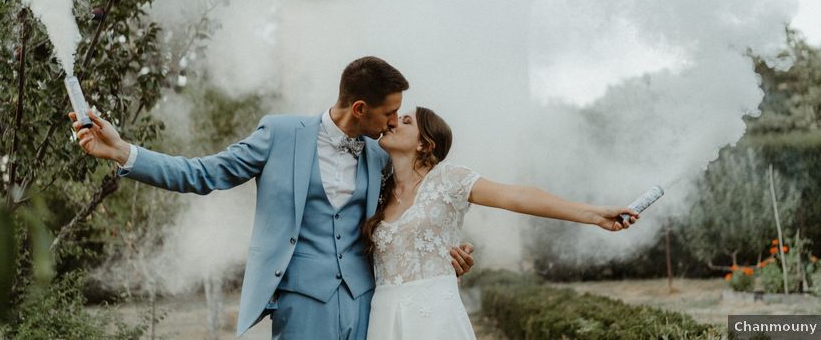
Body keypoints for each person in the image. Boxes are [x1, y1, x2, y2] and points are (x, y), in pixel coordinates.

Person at [70, 56, 475, 339]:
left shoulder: (379, 154)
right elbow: (203, 173)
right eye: (389, 113)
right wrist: (124, 151)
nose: (393, 122)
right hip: (301, 302)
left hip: (366, 301)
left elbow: (412, 204)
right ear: (359, 107)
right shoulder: (279, 135)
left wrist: (439, 252)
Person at [362, 106, 639, 340]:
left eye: (406, 120)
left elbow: (516, 196)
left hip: (434, 316)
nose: (394, 122)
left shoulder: (449, 180)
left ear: (425, 144)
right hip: (384, 317)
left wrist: (593, 214)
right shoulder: (376, 188)